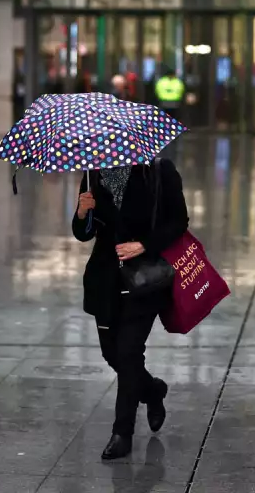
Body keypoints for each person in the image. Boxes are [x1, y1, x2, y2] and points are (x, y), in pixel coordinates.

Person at [72, 160, 189, 461]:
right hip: (105, 281)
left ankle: (122, 433)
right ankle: (152, 391)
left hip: (143, 280)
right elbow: (84, 233)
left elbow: (178, 222)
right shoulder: (93, 173)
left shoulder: (160, 172)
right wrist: (82, 212)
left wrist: (143, 245)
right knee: (111, 354)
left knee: (128, 353)